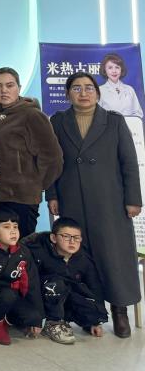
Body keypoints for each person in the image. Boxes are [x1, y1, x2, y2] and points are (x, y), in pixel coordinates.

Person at [46, 71, 141, 338]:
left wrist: (133, 199)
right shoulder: (58, 121)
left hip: (110, 200)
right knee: (80, 257)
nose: (83, 93)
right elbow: (52, 162)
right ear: (68, 94)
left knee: (114, 255)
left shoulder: (114, 121)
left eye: (89, 88)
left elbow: (129, 162)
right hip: (72, 198)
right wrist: (52, 195)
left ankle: (120, 310)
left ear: (97, 93)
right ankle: (91, 314)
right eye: (76, 88)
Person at [0, 67, 63, 238]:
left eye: (9, 85)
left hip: (22, 197)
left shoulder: (32, 115)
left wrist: (36, 184)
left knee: (21, 245)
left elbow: (53, 158)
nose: (4, 90)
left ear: (19, 88)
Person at [25, 217, 107, 345]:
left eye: (77, 238)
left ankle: (67, 320)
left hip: (65, 296)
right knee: (55, 283)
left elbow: (94, 286)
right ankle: (53, 323)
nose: (72, 241)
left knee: (89, 307)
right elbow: (31, 286)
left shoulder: (83, 258)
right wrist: (36, 319)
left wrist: (96, 321)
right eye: (66, 237)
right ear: (53, 238)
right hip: (41, 297)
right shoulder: (38, 252)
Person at [0, 208, 43, 345]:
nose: (13, 231)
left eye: (15, 227)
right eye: (6, 227)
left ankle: (4, 319)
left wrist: (38, 319)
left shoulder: (23, 252)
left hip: (8, 296)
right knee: (6, 294)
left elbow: (31, 283)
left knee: (32, 317)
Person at [98, 53, 144, 118]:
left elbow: (139, 113)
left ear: (121, 69)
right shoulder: (99, 91)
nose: (114, 71)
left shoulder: (129, 89)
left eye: (117, 67)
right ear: (104, 70)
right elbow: (97, 116)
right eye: (110, 68)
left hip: (129, 124)